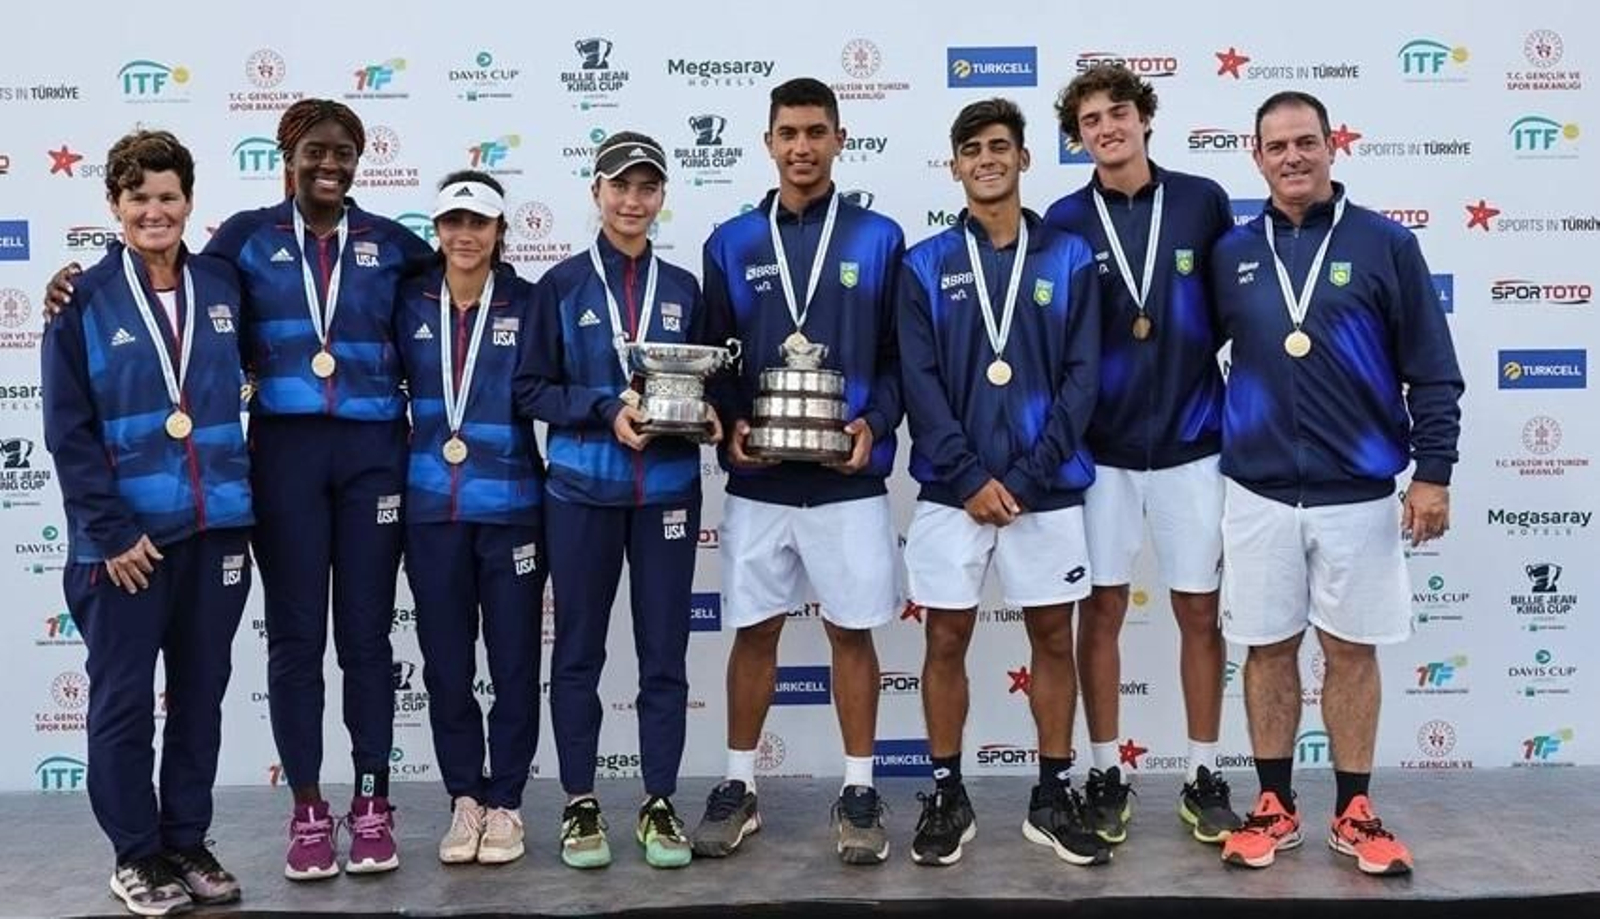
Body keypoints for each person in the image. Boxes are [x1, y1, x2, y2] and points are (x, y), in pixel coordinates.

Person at [1212, 91, 1462, 875]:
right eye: (1276, 145)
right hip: (1256, 488)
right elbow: (1185, 359)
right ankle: (1274, 804)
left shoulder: (1386, 245)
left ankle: (1355, 808)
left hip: (1357, 489)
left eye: (1306, 142)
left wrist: (1435, 473)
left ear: (1332, 148)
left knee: (1351, 651)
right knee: (1267, 649)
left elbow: (1433, 370)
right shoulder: (1232, 253)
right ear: (1256, 156)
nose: (1292, 156)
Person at [692, 77, 905, 866]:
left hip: (847, 480)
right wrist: (730, 427)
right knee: (754, 630)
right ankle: (740, 783)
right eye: (789, 133)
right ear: (769, 142)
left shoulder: (879, 237)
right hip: (760, 483)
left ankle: (857, 787)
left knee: (853, 631)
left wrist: (874, 423)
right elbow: (714, 359)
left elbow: (896, 357)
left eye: (817, 131)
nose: (803, 146)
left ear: (840, 139)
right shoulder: (731, 241)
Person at [42, 130, 254, 915]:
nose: (155, 211)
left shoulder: (226, 285)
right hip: (125, 546)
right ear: (115, 206)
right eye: (139, 199)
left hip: (218, 530)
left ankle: (185, 840)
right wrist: (110, 530)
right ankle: (135, 854)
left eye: (168, 197)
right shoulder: (83, 300)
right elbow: (67, 431)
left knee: (200, 696)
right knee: (125, 702)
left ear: (190, 202)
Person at [899, 98, 1108, 869]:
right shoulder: (921, 263)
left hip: (1044, 490)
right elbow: (919, 384)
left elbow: (1084, 379)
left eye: (1000, 147)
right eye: (971, 149)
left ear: (1023, 159)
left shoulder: (1070, 256)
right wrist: (967, 476)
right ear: (954, 165)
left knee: (1055, 637)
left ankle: (1051, 793)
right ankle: (947, 792)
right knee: (944, 636)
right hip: (952, 493)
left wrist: (1021, 476)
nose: (986, 159)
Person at [1042, 64, 1241, 846]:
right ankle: (1104, 771)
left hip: (1195, 441)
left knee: (1198, 607)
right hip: (1102, 452)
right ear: (1077, 137)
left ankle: (1201, 770)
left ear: (1145, 116)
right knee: (1103, 609)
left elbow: (1234, 312)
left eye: (1118, 112)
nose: (1106, 128)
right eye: (1090, 120)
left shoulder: (1202, 201)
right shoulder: (1062, 219)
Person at [514, 132, 716, 870]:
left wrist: (712, 413)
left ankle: (659, 800)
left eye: (647, 186)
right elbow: (530, 387)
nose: (633, 200)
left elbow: (706, 382)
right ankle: (579, 801)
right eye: (620, 185)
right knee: (577, 653)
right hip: (580, 493)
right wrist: (604, 408)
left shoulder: (686, 288)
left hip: (666, 490)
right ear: (595, 192)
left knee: (665, 654)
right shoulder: (561, 286)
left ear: (662, 195)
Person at [395, 172, 544, 866]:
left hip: (512, 508)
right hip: (431, 510)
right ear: (438, 230)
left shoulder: (531, 302)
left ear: (499, 232)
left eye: (478, 223)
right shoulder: (407, 300)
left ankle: (507, 802)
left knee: (514, 662)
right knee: (447, 666)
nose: (465, 235)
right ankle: (465, 799)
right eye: (453, 222)